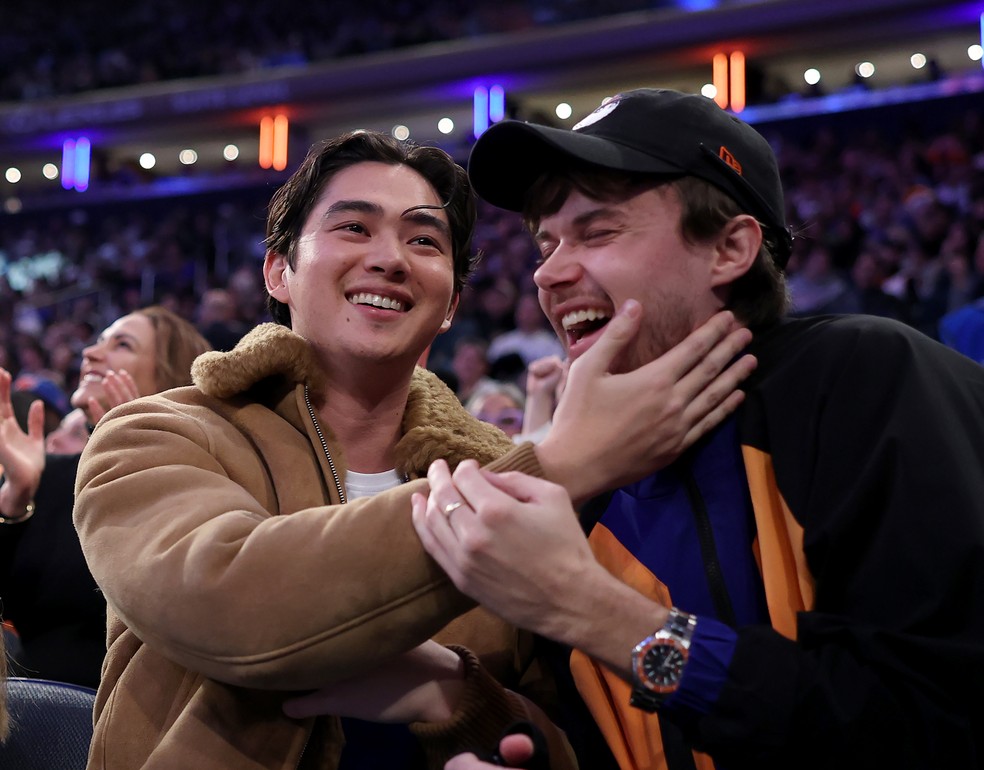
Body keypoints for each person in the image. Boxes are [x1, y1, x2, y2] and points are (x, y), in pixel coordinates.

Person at [72, 129, 757, 769]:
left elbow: (566, 732)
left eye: (425, 242)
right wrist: (550, 467)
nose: (390, 259)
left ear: (453, 301)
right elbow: (229, 602)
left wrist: (463, 702)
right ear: (279, 271)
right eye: (353, 227)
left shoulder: (493, 466)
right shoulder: (158, 434)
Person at [411, 88, 984, 770]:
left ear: (730, 248)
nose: (550, 272)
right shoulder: (584, 474)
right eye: (547, 242)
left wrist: (593, 611)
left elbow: (934, 725)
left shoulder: (865, 379)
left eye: (597, 231)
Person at [0, 307, 211, 688]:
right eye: (98, 341)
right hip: (32, 718)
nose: (91, 353)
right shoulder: (50, 474)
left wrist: (134, 452)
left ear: (168, 377)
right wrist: (13, 502)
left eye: (122, 344)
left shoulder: (201, 477)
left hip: (138, 718)